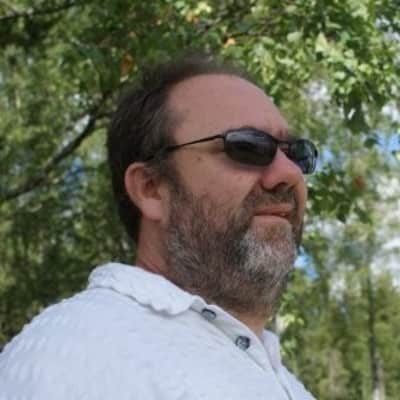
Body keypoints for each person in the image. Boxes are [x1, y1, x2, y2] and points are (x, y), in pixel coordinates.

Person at [0, 54, 318, 399]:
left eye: (297, 153)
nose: (290, 173)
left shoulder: (282, 381)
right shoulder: (73, 358)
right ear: (151, 188)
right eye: (248, 146)